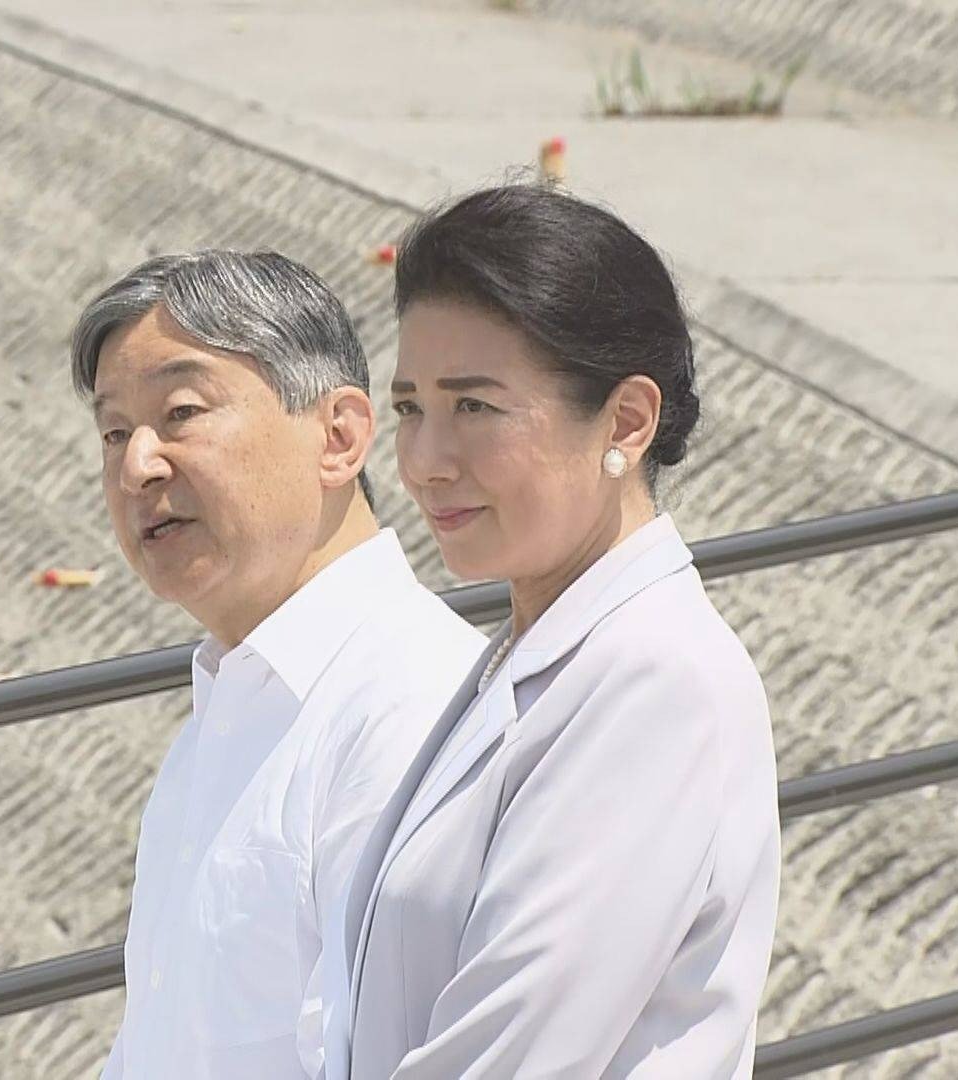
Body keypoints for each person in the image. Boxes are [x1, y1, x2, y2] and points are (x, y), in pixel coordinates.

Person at [332, 184, 781, 1079]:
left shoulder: (658, 686)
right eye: (412, 408)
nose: (423, 463)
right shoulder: (537, 650)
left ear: (626, 421)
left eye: (475, 408)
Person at [72, 250, 487, 1079]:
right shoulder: (225, 709)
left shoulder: (414, 712)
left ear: (339, 437)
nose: (136, 464)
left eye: (181, 412)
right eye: (114, 432)